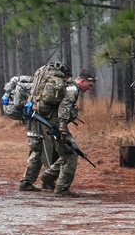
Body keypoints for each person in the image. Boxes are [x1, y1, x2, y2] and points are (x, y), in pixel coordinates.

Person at [27, 67, 95, 197]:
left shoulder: (69, 87)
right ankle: (62, 189)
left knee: (66, 153)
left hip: (50, 123)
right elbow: (64, 107)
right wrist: (62, 128)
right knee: (70, 155)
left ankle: (48, 176)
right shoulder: (72, 89)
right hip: (56, 125)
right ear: (81, 81)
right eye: (89, 85)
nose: (90, 88)